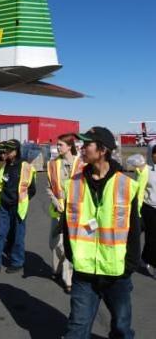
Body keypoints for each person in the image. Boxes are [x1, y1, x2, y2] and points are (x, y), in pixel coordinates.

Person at [63, 126, 141, 339]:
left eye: (87, 144)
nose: (81, 148)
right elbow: (66, 224)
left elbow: (134, 230)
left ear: (102, 150)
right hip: (84, 273)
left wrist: (129, 267)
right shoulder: (74, 184)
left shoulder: (126, 185)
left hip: (117, 273)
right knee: (76, 328)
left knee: (122, 328)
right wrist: (72, 256)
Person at [0, 139, 36, 277]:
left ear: (16, 151)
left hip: (18, 207)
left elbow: (32, 189)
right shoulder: (3, 165)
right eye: (5, 150)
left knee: (18, 236)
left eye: (9, 150)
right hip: (4, 206)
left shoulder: (26, 166)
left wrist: (21, 200)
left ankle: (17, 262)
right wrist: (1, 199)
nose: (6, 152)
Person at [46, 133, 83, 293]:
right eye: (57, 144)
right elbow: (48, 187)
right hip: (57, 211)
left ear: (69, 146)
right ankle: (56, 269)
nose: (57, 147)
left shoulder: (81, 164)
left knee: (68, 244)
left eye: (60, 145)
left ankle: (68, 280)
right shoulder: (53, 164)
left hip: (75, 212)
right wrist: (55, 201)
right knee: (54, 243)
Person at [135, 140, 156, 278]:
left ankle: (145, 258)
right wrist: (136, 210)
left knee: (152, 239)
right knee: (151, 238)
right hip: (149, 209)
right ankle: (152, 263)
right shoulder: (145, 170)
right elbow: (139, 190)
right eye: (155, 153)